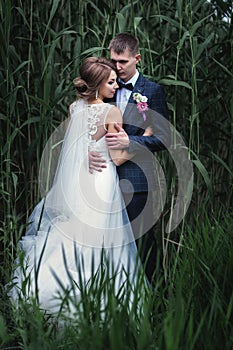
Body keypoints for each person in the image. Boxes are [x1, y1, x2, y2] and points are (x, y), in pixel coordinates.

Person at [8, 57, 149, 315]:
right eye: (110, 82)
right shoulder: (111, 112)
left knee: (75, 231)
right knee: (102, 237)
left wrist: (86, 152)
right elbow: (117, 158)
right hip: (101, 179)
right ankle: (98, 298)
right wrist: (142, 143)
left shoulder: (75, 108)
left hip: (79, 179)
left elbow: (74, 144)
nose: (116, 86)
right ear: (96, 85)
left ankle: (55, 289)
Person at [89, 33, 169, 283]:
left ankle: (157, 302)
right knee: (105, 244)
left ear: (137, 58)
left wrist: (131, 141)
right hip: (102, 179)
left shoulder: (152, 91)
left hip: (137, 180)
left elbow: (164, 138)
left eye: (123, 61)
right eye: (114, 60)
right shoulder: (105, 86)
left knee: (143, 243)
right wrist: (89, 153)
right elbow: (87, 128)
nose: (117, 67)